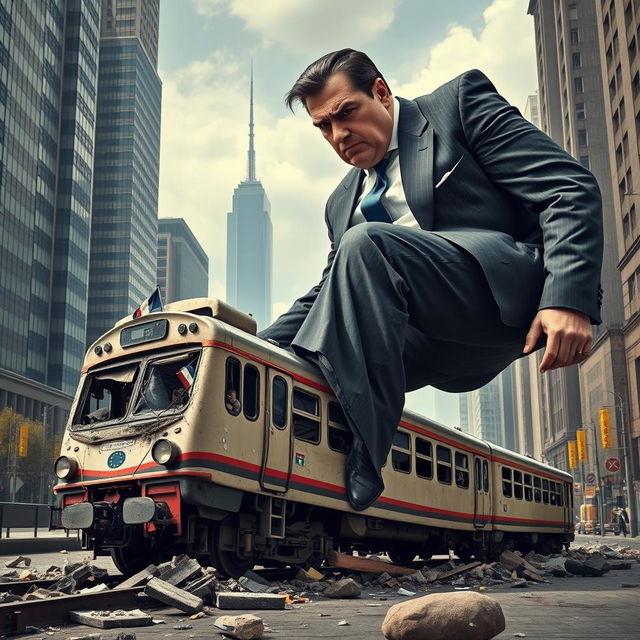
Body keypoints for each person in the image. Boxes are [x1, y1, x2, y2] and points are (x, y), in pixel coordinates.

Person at [259, 49, 603, 511]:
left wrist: (568, 299)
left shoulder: (456, 105)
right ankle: (293, 457)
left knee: (365, 244)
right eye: (324, 127)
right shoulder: (340, 204)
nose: (339, 135)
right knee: (309, 346)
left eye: (346, 113)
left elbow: (567, 187)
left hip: (499, 299)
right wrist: (248, 345)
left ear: (381, 93)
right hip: (426, 346)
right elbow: (329, 293)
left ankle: (367, 452)